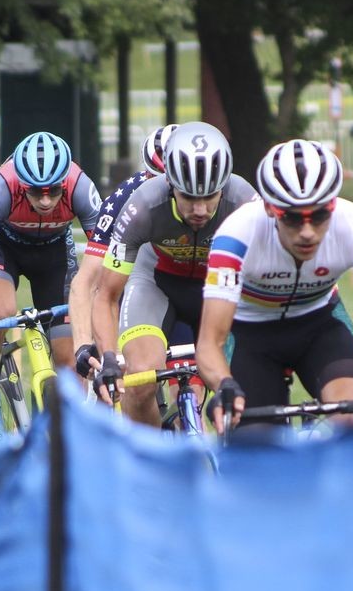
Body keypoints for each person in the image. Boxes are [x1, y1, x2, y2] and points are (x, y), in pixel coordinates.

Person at [197, 138, 353, 432]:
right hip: (250, 334)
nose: (307, 232)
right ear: (268, 207)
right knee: (257, 444)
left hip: (319, 326)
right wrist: (223, 384)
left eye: (319, 216)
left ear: (333, 206)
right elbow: (210, 342)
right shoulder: (236, 235)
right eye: (291, 219)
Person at [90, 121, 257, 426]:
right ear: (170, 185)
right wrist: (110, 357)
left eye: (210, 197)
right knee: (140, 384)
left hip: (219, 288)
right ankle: (154, 465)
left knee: (243, 384)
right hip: (156, 286)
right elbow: (107, 295)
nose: (200, 209)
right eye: (189, 197)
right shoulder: (142, 206)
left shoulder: (244, 201)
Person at [0, 130, 102, 448]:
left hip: (54, 257)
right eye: (37, 192)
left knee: (69, 358)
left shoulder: (80, 186)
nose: (46, 201)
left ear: (65, 182)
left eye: (53, 191)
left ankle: (66, 443)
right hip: (3, 251)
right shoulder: (3, 187)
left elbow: (107, 256)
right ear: (23, 184)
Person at [70, 123, 179, 379]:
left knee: (188, 390)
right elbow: (86, 281)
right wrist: (83, 346)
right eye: (155, 180)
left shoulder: (211, 202)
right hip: (138, 282)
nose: (164, 192)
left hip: (183, 282)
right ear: (145, 173)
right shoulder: (123, 200)